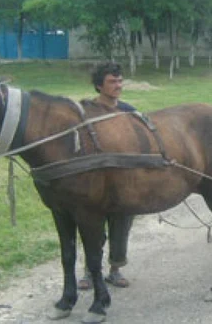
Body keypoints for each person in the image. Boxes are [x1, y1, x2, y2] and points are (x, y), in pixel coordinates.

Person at [78, 62, 136, 290]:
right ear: (98, 85)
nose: (118, 85)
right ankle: (90, 272)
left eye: (120, 81)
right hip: (93, 182)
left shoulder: (129, 111)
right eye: (113, 81)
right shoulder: (85, 113)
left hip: (123, 182)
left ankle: (115, 269)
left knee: (121, 225)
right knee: (92, 227)